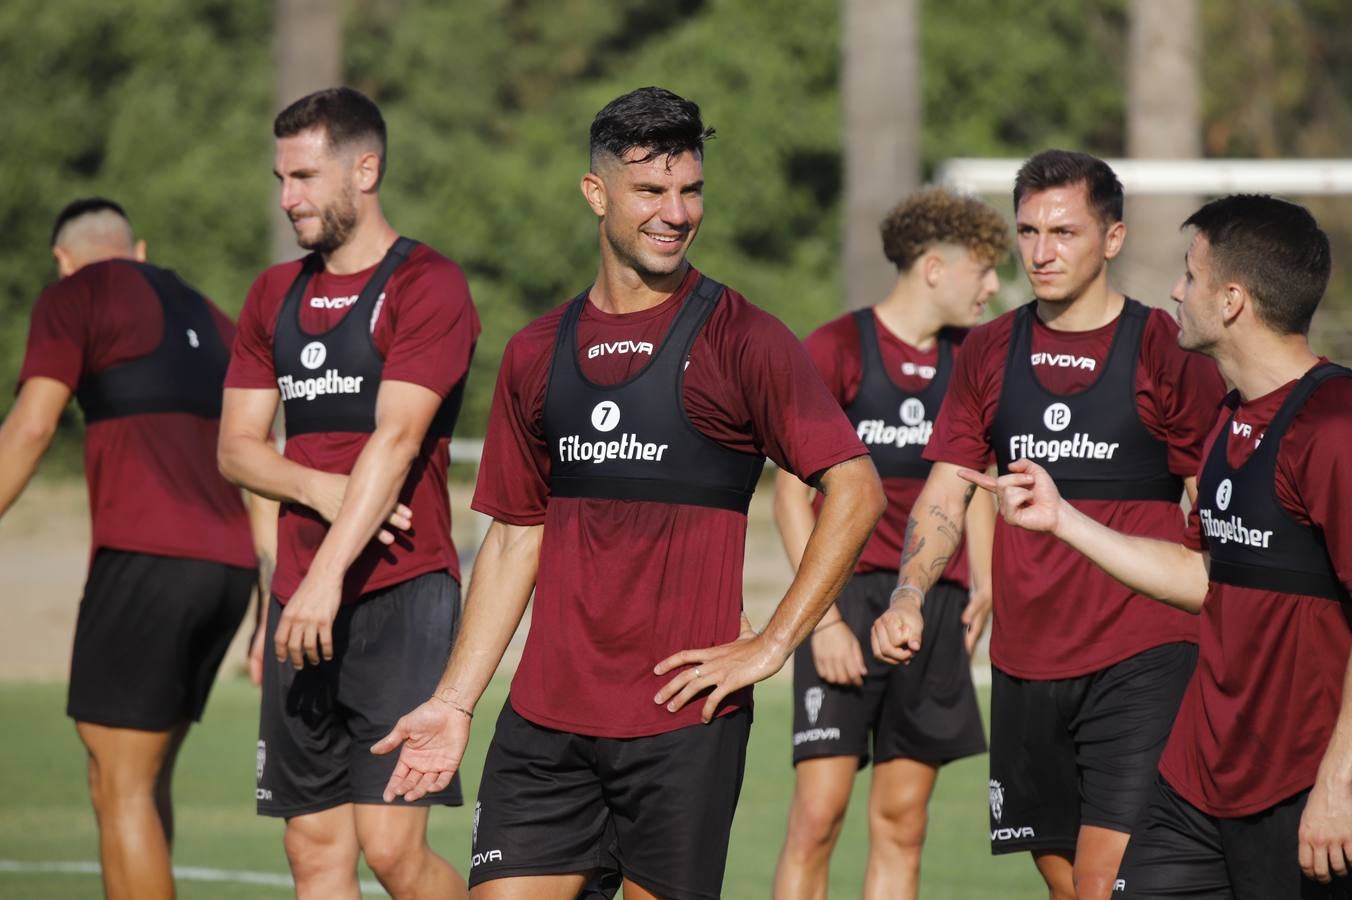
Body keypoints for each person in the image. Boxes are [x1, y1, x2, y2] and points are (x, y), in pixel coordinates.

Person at [370, 86, 884, 900]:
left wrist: (776, 641)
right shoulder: (537, 352)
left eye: (691, 191)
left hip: (683, 727)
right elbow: (513, 537)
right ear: (596, 192)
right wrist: (455, 701)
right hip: (544, 724)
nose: (676, 213)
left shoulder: (743, 338)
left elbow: (855, 489)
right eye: (652, 191)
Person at [960, 194, 1352, 899]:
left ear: (1232, 300)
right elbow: (1207, 576)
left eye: (1190, 275)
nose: (1176, 289)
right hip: (1198, 780)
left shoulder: (1335, 426)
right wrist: (1064, 520)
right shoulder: (1230, 417)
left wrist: (1339, 782)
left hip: (1301, 785)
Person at [870, 150, 1228, 900]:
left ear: (1115, 238)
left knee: (1108, 881)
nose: (1041, 252)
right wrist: (908, 593)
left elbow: (1213, 497)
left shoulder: (1167, 348)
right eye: (1028, 231)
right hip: (1028, 662)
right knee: (1067, 883)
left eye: (1064, 232)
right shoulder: (990, 352)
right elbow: (947, 490)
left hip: (1146, 654)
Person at [218, 87, 479, 899]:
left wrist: (328, 579)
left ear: (365, 169)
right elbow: (235, 449)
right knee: (314, 854)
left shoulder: (428, 285)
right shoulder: (272, 296)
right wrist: (321, 494)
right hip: (302, 602)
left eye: (303, 176)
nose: (287, 197)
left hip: (401, 595)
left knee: (393, 850)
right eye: (281, 178)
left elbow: (398, 441)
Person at [0, 197, 265, 900]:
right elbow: (261, 447)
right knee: (132, 783)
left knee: (121, 787)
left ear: (63, 258)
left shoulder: (72, 296)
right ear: (139, 251)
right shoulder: (213, 314)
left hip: (148, 562)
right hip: (229, 572)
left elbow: (30, 429)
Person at [772, 187, 1005, 899]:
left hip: (933, 605)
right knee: (818, 816)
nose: (994, 286)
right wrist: (824, 621)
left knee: (903, 821)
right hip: (844, 597)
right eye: (983, 268)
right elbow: (787, 494)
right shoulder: (837, 347)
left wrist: (984, 588)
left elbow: (976, 486)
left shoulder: (976, 359)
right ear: (934, 267)